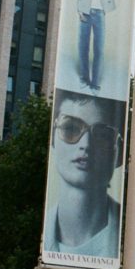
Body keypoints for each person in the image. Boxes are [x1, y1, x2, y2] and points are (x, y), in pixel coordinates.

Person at [44, 89, 125, 258]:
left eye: (102, 135)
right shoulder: (31, 230)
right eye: (71, 128)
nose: (86, 144)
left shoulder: (130, 235)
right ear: (52, 139)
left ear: (119, 151)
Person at [77, 0, 127, 91]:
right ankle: (84, 79)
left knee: (99, 49)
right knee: (83, 47)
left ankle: (95, 83)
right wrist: (79, 11)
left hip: (99, 13)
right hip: (86, 12)